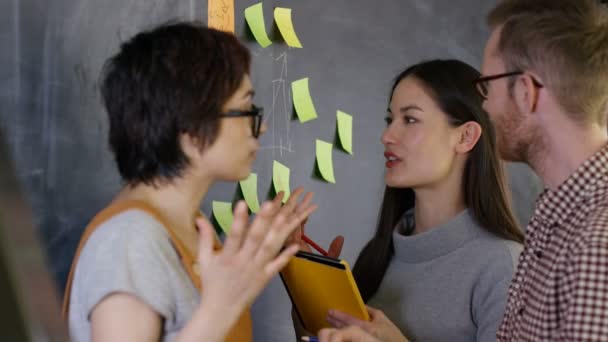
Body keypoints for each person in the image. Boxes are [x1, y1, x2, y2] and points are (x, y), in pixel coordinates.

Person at [63, 22, 316, 341]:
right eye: (245, 109)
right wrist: (217, 312)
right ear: (190, 128)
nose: (260, 128)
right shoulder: (130, 241)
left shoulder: (191, 226)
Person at [316, 59, 524, 342]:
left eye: (410, 120)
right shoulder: (377, 255)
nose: (387, 136)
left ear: (465, 136)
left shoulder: (503, 267)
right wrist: (310, 287)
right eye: (390, 120)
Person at [478, 0, 608, 340]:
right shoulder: (558, 218)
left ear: (525, 92)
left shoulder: (595, 245)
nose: (485, 105)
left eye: (487, 86)